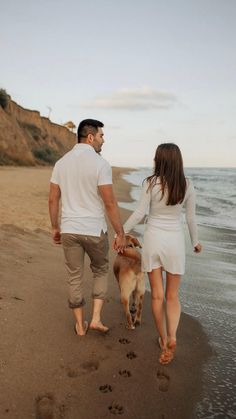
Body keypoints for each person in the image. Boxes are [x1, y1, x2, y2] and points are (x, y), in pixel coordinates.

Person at [123, 143, 202, 364]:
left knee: (157, 296)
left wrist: (122, 232)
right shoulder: (187, 185)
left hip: (153, 240)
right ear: (179, 161)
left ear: (159, 160)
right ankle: (173, 336)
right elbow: (190, 218)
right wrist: (195, 241)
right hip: (175, 242)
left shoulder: (150, 183)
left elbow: (140, 212)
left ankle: (164, 337)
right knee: (172, 296)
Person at [49, 119, 126, 336]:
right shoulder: (101, 164)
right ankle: (96, 320)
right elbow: (110, 202)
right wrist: (120, 233)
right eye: (101, 136)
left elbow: (53, 199)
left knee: (74, 276)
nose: (103, 140)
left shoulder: (61, 163)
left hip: (69, 229)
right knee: (100, 270)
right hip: (94, 230)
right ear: (90, 137)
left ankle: (80, 326)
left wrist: (55, 227)